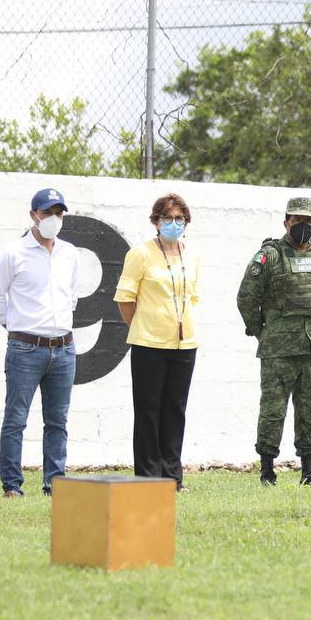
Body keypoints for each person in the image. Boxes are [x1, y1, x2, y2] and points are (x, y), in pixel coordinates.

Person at [0, 188, 80, 498]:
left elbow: (71, 297)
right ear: (33, 215)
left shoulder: (70, 253)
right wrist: (16, 327)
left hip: (63, 348)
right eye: (47, 212)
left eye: (58, 213)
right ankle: (12, 485)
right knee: (16, 419)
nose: (53, 219)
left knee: (58, 421)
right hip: (25, 348)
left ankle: (55, 484)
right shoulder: (13, 253)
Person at [236, 197, 311, 486]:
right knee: (273, 411)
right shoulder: (270, 255)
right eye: (297, 220)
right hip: (277, 349)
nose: (303, 225)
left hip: (310, 347)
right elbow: (246, 298)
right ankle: (267, 471)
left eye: (308, 221)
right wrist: (263, 332)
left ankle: (310, 472)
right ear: (286, 222)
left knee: (310, 411)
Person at [114, 193, 200, 491]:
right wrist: (143, 327)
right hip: (149, 345)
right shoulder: (140, 254)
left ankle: (173, 478)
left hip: (184, 345)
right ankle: (149, 478)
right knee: (148, 412)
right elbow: (125, 299)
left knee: (175, 411)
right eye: (167, 218)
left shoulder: (192, 256)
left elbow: (192, 298)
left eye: (179, 219)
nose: (174, 223)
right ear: (156, 222)